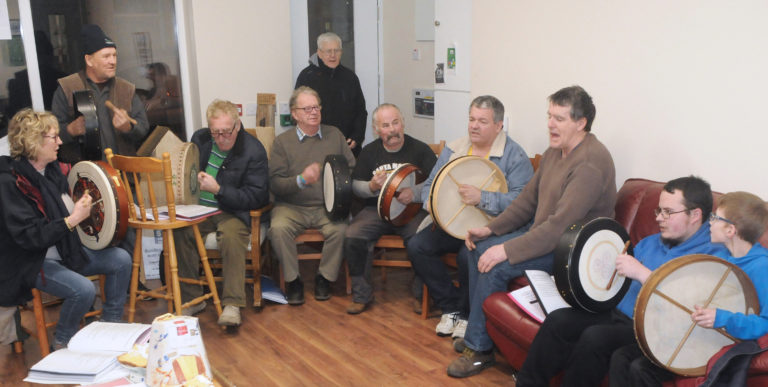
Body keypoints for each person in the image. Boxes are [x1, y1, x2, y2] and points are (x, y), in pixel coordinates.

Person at [447, 86, 617, 378]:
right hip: (548, 237)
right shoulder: (555, 152)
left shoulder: (590, 164)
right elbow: (527, 201)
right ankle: (480, 332)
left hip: (572, 253)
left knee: (494, 264)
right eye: (549, 116)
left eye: (559, 119)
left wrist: (505, 250)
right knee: (477, 251)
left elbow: (559, 228)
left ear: (581, 123)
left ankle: (479, 349)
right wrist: (490, 229)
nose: (550, 124)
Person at [515, 176, 728, 387]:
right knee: (559, 320)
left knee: (595, 337)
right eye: (658, 210)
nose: (659, 218)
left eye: (668, 212)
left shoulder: (711, 259)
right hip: (615, 312)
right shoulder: (652, 242)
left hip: (652, 331)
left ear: (695, 215)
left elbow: (689, 306)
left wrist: (643, 274)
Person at [0, 109, 131, 348]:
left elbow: (73, 210)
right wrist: (73, 219)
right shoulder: (10, 183)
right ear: (33, 141)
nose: (60, 142)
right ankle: (62, 341)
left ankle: (110, 325)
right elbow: (32, 236)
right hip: (33, 261)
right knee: (83, 289)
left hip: (66, 249)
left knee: (120, 259)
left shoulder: (55, 172)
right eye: (54, 137)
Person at [407, 95, 533, 341]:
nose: (474, 126)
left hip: (490, 229)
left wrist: (482, 197)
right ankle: (451, 307)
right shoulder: (455, 149)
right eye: (471, 119)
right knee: (417, 246)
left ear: (498, 126)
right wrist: (432, 205)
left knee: (468, 257)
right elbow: (430, 185)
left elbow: (521, 202)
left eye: (482, 121)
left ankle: (466, 315)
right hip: (451, 224)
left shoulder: (515, 156)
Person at [609, 191, 768, 386]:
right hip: (691, 335)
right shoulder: (721, 258)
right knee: (621, 357)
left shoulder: (761, 267)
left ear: (730, 230)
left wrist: (722, 318)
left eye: (715, 218)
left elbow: (765, 323)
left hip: (715, 344)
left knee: (639, 368)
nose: (709, 223)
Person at [173, 99, 269, 327]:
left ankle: (232, 304)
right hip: (201, 210)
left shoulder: (253, 150)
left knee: (231, 236)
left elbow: (257, 197)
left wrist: (219, 190)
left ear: (237, 125)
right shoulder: (201, 139)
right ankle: (193, 299)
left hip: (234, 211)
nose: (221, 138)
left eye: (226, 132)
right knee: (180, 231)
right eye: (215, 132)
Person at [344, 103, 437, 314]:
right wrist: (371, 186)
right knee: (353, 235)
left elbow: (436, 182)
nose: (392, 129)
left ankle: (421, 295)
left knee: (422, 237)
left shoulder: (420, 149)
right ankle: (361, 295)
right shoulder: (369, 152)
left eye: (395, 123)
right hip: (375, 210)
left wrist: (414, 193)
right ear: (376, 130)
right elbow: (356, 186)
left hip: (411, 211)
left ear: (403, 123)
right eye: (385, 125)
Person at [268, 86, 355, 305]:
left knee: (341, 229)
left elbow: (352, 169)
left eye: (316, 107)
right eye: (307, 109)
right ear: (294, 114)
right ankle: (293, 281)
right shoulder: (282, 142)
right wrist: (302, 180)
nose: (313, 112)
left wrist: (338, 185)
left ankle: (324, 278)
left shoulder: (335, 135)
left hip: (328, 206)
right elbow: (276, 183)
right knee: (278, 230)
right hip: (291, 206)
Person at [51, 24, 149, 162]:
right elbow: (50, 134)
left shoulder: (126, 89)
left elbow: (143, 128)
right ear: (89, 60)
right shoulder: (67, 87)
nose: (112, 61)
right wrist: (70, 130)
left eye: (114, 55)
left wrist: (128, 127)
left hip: (122, 171)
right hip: (84, 171)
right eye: (106, 56)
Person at [295, 32, 367, 157]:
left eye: (336, 51)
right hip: (314, 146)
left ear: (341, 52)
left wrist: (357, 137)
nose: (333, 55)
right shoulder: (306, 77)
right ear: (319, 53)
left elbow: (360, 111)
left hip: (347, 146)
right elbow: (298, 112)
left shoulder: (350, 77)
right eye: (328, 51)